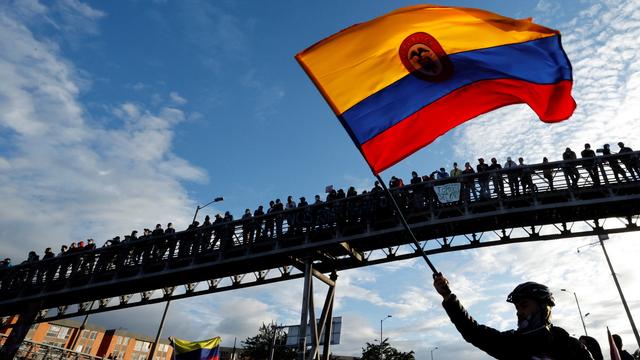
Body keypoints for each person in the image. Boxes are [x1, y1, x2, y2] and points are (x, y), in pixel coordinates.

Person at [433, 274, 594, 359]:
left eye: (524, 305)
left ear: (544, 308)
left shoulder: (571, 346)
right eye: (517, 307)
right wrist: (448, 296)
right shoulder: (512, 344)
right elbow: (473, 332)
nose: (519, 312)